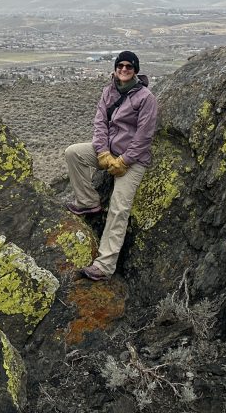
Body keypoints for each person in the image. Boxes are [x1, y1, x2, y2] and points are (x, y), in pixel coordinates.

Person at [64, 50, 158, 281]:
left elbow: (144, 136)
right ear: (115, 68)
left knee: (119, 208)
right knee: (73, 153)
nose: (124, 69)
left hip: (133, 161)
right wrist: (103, 153)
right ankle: (88, 202)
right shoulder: (109, 91)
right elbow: (100, 125)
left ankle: (104, 265)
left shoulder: (146, 98)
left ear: (135, 70)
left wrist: (124, 161)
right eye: (120, 66)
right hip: (108, 153)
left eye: (129, 66)